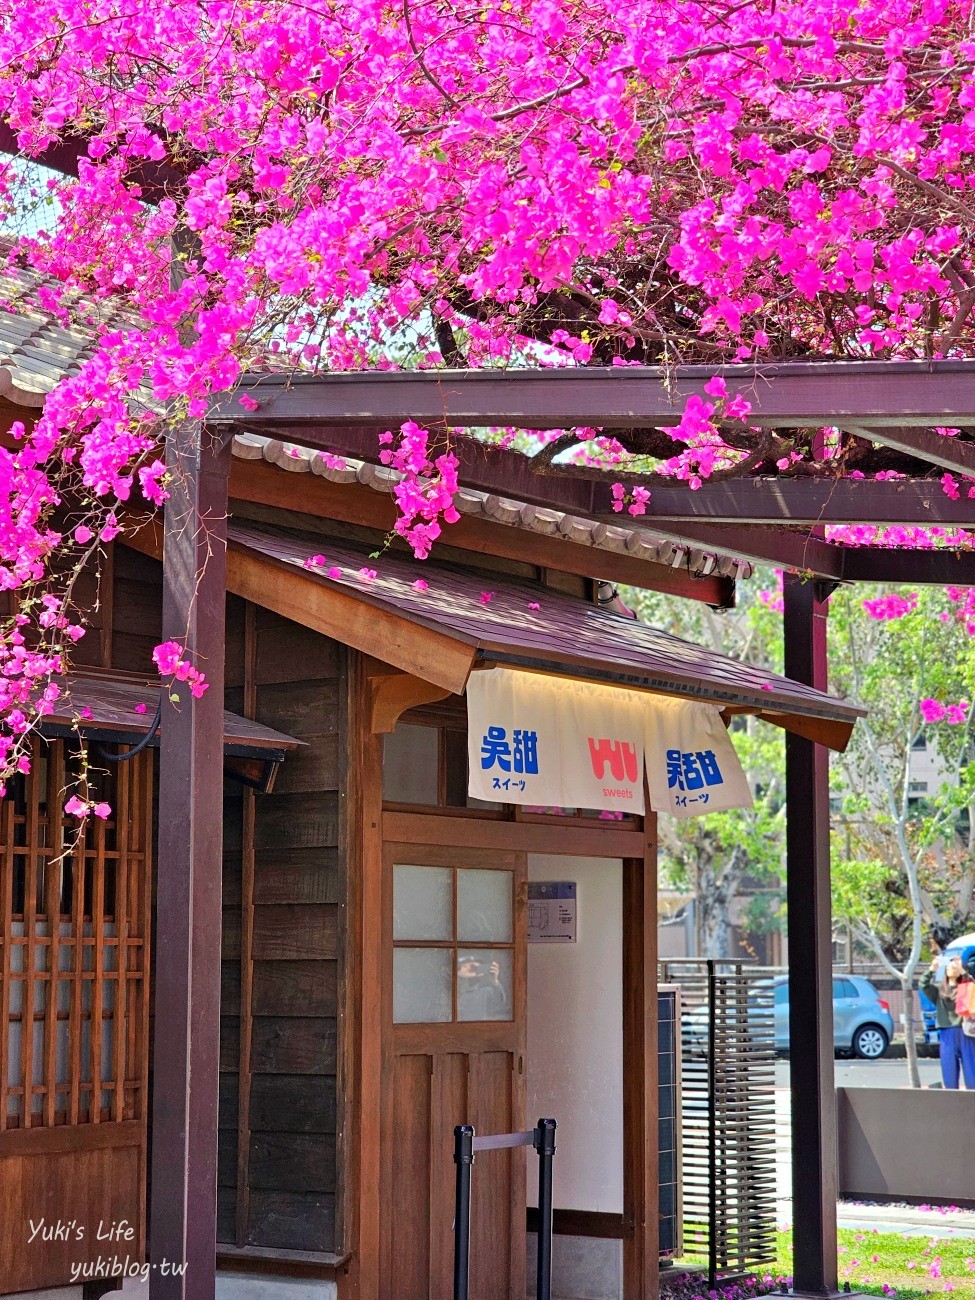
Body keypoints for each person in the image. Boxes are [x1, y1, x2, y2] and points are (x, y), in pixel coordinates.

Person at [921, 947, 975, 1089]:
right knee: (949, 1072)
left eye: (955, 967)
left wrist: (963, 970)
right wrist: (932, 969)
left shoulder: (966, 987)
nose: (952, 968)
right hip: (946, 1033)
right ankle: (952, 1101)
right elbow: (923, 984)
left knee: (971, 1071)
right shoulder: (939, 990)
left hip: (966, 1032)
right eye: (950, 966)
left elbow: (973, 985)